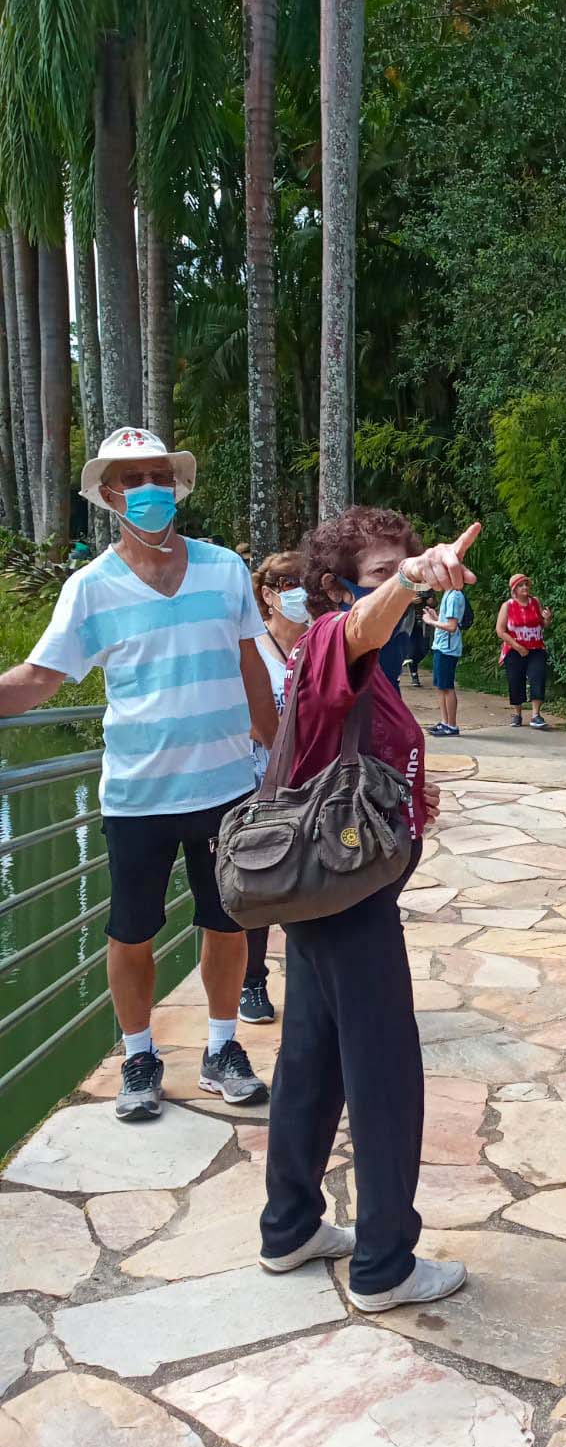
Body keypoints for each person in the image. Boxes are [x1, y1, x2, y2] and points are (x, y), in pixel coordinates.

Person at [0, 427, 278, 1128]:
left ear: (175, 485)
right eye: (132, 479)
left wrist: (277, 752)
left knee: (226, 924)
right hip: (137, 796)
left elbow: (251, 660)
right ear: (109, 495)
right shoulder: (90, 589)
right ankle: (139, 1056)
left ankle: (222, 1048)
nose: (148, 488)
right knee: (131, 933)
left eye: (159, 474)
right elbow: (39, 676)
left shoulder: (225, 569)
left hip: (226, 787)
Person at [258, 505, 480, 1311]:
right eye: (382, 574)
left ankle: (290, 1226)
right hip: (346, 900)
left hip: (329, 892)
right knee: (384, 1071)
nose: (402, 586)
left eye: (404, 566)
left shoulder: (367, 659)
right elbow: (361, 625)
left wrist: (411, 793)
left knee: (311, 1057)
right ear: (335, 585)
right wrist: (411, 581)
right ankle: (385, 1264)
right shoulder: (334, 637)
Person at [239, 550, 308, 1024]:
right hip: (256, 785)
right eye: (289, 584)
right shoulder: (252, 649)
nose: (301, 593)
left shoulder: (317, 643)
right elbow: (246, 719)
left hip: (307, 786)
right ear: (268, 594)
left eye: (306, 584)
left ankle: (309, 984)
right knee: (258, 887)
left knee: (307, 886)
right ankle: (251, 981)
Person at [496, 574, 551, 728]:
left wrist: (547, 618)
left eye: (526, 584)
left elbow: (542, 624)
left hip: (536, 647)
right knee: (515, 680)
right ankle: (517, 714)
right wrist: (517, 647)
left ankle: (536, 715)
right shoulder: (508, 606)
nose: (525, 588)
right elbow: (500, 630)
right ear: (514, 589)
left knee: (538, 676)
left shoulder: (535, 602)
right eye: (521, 585)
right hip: (515, 648)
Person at [423, 582, 467, 737]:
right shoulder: (448, 593)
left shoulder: (454, 596)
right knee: (440, 686)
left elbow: (452, 626)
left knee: (447, 686)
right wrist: (435, 617)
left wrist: (431, 622)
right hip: (441, 645)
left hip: (448, 648)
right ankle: (445, 722)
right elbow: (446, 622)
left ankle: (452, 725)